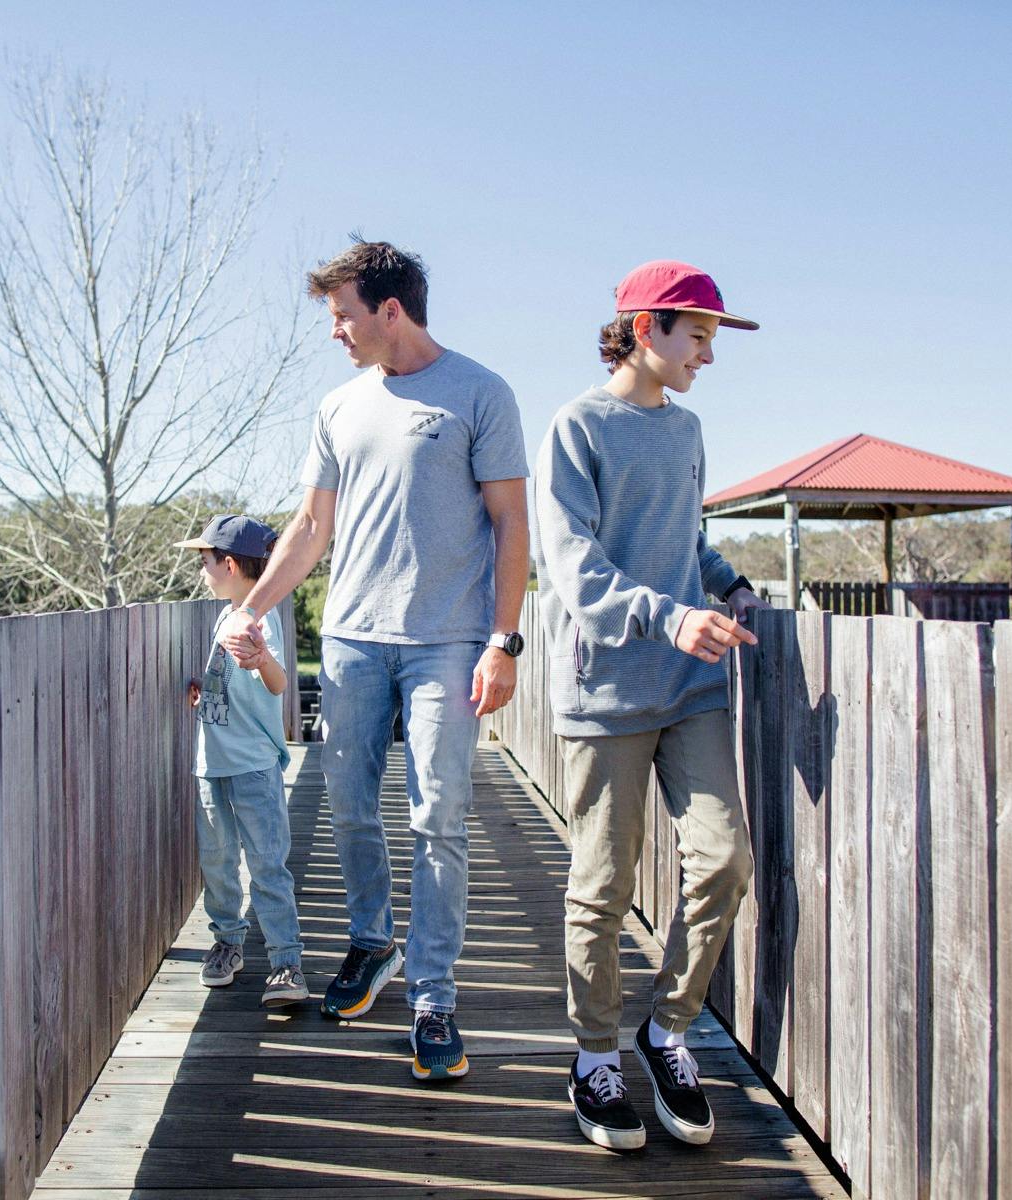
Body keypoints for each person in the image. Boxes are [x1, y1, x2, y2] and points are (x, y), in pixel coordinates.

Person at [217, 239, 530, 1081]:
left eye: (343, 316)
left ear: (391, 311)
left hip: (449, 642)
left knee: (438, 816)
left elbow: (512, 525)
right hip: (352, 640)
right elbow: (310, 529)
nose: (335, 333)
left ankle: (433, 992)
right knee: (349, 805)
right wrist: (247, 610)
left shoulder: (479, 392)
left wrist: (503, 640)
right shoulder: (338, 407)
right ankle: (371, 943)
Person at [532, 260, 765, 1150]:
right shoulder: (577, 426)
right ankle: (594, 1057)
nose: (708, 354)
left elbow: (685, 541)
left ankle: (667, 1029)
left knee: (723, 859)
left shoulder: (691, 428)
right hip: (608, 688)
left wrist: (730, 586)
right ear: (645, 330)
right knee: (604, 882)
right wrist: (667, 616)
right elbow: (573, 564)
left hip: (692, 683)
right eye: (697, 335)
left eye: (711, 338)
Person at [178, 514, 307, 1008]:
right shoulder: (225, 613)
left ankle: (285, 960)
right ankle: (228, 942)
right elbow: (236, 684)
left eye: (206, 562)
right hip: (212, 764)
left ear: (229, 564)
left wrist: (259, 661)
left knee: (266, 863)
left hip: (252, 766)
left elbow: (276, 684)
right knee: (218, 861)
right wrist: (207, 693)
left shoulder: (259, 616)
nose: (202, 572)